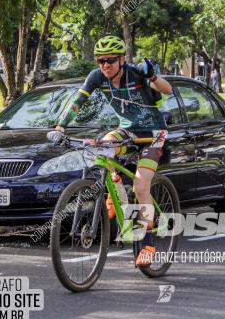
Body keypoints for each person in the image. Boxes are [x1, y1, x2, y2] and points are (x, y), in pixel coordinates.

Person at [48, 35, 173, 267]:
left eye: (111, 60)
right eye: (100, 61)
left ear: (122, 59)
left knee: (141, 185)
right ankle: (113, 194)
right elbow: (78, 101)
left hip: (153, 133)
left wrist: (152, 75)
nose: (105, 65)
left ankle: (147, 243)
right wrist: (61, 126)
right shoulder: (96, 77)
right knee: (101, 147)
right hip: (127, 129)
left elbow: (167, 90)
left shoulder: (135, 73)